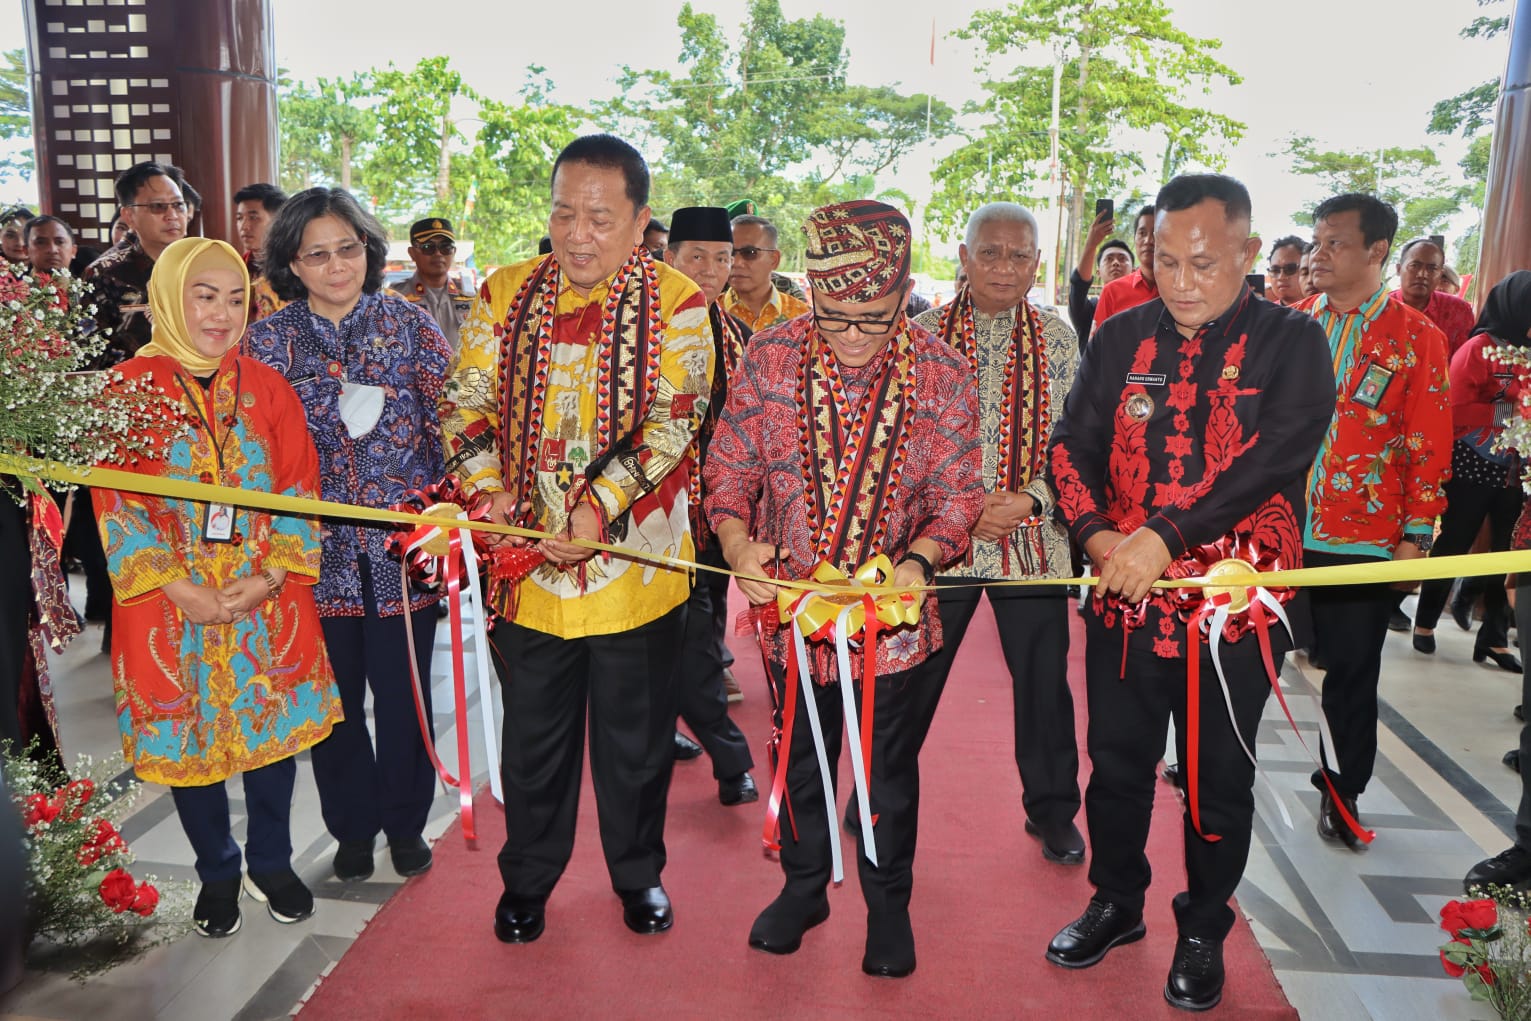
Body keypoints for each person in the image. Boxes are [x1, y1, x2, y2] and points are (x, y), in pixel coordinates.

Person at [1045, 174, 1334, 1012]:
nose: (1181, 280)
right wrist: (1097, 534)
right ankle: (1116, 900)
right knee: (1118, 763)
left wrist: (1164, 536)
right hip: (1125, 597)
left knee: (1215, 779)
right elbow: (1072, 442)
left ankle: (1202, 924)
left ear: (1246, 252)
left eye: (1203, 263)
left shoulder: (1291, 343)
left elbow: (1274, 457)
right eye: (1164, 260)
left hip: (1231, 611)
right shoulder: (1119, 332)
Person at [440, 134, 713, 945]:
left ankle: (638, 875)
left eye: (600, 216)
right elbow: (464, 401)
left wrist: (596, 510)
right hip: (528, 569)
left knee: (635, 748)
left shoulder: (679, 303)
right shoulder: (502, 291)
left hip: (634, 566)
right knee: (533, 745)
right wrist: (488, 494)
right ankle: (527, 880)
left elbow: (675, 422)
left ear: (638, 224)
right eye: (564, 212)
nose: (578, 232)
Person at [707, 199, 983, 979]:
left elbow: (961, 492)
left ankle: (886, 902)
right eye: (834, 318)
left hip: (890, 623)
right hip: (790, 616)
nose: (854, 335)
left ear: (903, 295)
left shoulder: (940, 369)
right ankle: (803, 888)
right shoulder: (770, 354)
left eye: (873, 317)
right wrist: (735, 540)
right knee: (797, 750)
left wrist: (922, 559)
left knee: (884, 768)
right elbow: (727, 467)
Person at [93, 237, 342, 938]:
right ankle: (216, 871)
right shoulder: (125, 392)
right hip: (170, 609)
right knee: (191, 741)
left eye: (236, 297)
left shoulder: (268, 387)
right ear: (171, 298)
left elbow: (300, 490)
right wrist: (179, 587)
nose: (223, 313)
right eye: (205, 295)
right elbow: (115, 503)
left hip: (265, 599)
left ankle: (271, 861)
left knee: (269, 737)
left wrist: (268, 577)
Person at [244, 187, 450, 883]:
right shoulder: (267, 341)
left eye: (348, 248)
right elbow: (253, 452)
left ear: (368, 248)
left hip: (400, 553)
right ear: (292, 266)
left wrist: (444, 517)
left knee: (404, 695)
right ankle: (353, 828)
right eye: (317, 254)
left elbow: (449, 427)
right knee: (331, 703)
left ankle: (406, 821)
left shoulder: (412, 325)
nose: (337, 266)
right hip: (311, 556)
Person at [911, 201, 1084, 865]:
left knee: (1044, 683)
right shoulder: (920, 335)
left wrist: (1036, 498)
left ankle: (1052, 811)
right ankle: (876, 791)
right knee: (912, 676)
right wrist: (960, 508)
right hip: (938, 541)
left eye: (1019, 255)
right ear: (963, 257)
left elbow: (1075, 440)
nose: (1004, 267)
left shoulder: (1059, 337)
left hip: (1032, 540)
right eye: (990, 252)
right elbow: (902, 444)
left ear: (1037, 264)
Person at [1299, 193, 1452, 850]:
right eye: (1316, 241)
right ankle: (1211, 773)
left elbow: (1425, 443)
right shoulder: (1291, 326)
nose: (1317, 254)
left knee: (1351, 674)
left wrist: (1415, 537)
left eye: (1334, 242)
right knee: (1244, 658)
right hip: (1277, 533)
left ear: (1375, 251)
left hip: (1360, 541)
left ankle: (1342, 789)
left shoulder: (1416, 340)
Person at [661, 206, 757, 805]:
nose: (712, 270)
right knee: (681, 636)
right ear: (671, 258)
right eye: (697, 256)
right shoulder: (643, 331)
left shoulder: (739, 336)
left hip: (716, 517)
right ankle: (728, 756)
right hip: (647, 517)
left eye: (722, 258)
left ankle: (684, 730)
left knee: (702, 629)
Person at [1411, 271, 1531, 670]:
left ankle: (1494, 639)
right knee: (1455, 542)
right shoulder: (1480, 348)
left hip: (1517, 467)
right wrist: (1511, 409)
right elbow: (1455, 407)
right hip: (1473, 461)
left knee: (1505, 553)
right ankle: (1425, 622)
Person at [85, 161, 189, 368]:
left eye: (178, 205)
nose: (172, 215)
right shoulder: (104, 274)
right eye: (158, 207)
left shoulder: (202, 263)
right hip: (132, 391)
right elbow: (88, 356)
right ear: (129, 216)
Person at [394, 218, 474, 352]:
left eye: (445, 247)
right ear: (412, 253)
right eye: (428, 247)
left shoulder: (472, 297)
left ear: (454, 252)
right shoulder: (396, 298)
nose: (438, 253)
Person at [722, 214, 810, 332]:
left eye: (749, 252)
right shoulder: (708, 313)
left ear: (774, 259)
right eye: (730, 252)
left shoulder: (802, 317)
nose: (736, 262)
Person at [1391, 238, 1477, 357]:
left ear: (1440, 274)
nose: (1422, 274)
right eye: (1414, 266)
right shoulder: (1380, 308)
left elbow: (1462, 362)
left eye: (1432, 269)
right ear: (1399, 269)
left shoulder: (1458, 311)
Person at [1068, 203, 1133, 342]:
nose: (1116, 262)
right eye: (1109, 259)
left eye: (1122, 259)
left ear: (1134, 271)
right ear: (1098, 272)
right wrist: (1091, 244)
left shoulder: (1144, 308)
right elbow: (1078, 287)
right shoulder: (1090, 309)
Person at [1090, 204, 1158, 333]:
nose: (1148, 240)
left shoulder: (1179, 288)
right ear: (1134, 238)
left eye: (1155, 233)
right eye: (1142, 233)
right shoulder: (1111, 292)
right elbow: (1098, 348)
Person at [234, 182, 288, 323]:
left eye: (253, 217)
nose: (244, 227)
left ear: (278, 222)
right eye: (239, 218)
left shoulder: (294, 270)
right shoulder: (236, 268)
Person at [1266, 235, 1306, 306]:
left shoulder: (1323, 311)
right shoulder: (1265, 314)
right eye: (1275, 270)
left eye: (1290, 269)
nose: (1281, 277)